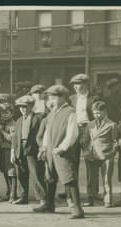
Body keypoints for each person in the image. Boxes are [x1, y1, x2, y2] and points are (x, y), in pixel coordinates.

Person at [34, 85, 84, 219]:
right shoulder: (52, 113)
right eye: (50, 97)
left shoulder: (70, 112)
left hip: (63, 151)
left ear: (62, 97)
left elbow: (72, 134)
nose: (51, 100)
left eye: (54, 97)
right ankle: (49, 205)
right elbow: (47, 133)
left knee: (69, 178)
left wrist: (62, 148)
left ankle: (77, 208)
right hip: (50, 150)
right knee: (49, 177)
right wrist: (44, 148)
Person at [81, 101, 118, 207]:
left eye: (98, 113)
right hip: (92, 156)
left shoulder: (112, 125)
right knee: (91, 180)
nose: (96, 115)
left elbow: (115, 142)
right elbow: (85, 140)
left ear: (105, 111)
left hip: (105, 156)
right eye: (94, 113)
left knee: (106, 179)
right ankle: (90, 199)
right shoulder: (90, 124)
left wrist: (111, 153)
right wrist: (86, 152)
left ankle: (108, 201)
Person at [11, 95, 46, 205]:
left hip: (33, 149)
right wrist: (13, 151)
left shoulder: (38, 118)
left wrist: (42, 149)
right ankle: (23, 196)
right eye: (21, 107)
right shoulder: (19, 120)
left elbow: (43, 135)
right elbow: (15, 137)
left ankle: (42, 198)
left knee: (37, 173)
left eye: (25, 106)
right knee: (21, 173)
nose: (23, 109)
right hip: (20, 149)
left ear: (31, 106)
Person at [69, 73, 99, 201]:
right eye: (74, 84)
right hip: (74, 129)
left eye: (78, 84)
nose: (76, 87)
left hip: (89, 129)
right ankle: (72, 192)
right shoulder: (71, 99)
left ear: (86, 84)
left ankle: (92, 193)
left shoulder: (94, 98)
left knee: (90, 160)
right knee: (72, 161)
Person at [0, 102, 18, 203]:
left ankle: (13, 194)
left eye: (6, 112)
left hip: (9, 150)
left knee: (11, 172)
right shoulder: (3, 123)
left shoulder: (13, 124)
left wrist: (2, 131)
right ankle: (9, 192)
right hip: (2, 149)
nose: (4, 115)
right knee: (5, 171)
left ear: (12, 113)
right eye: (2, 113)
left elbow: (11, 138)